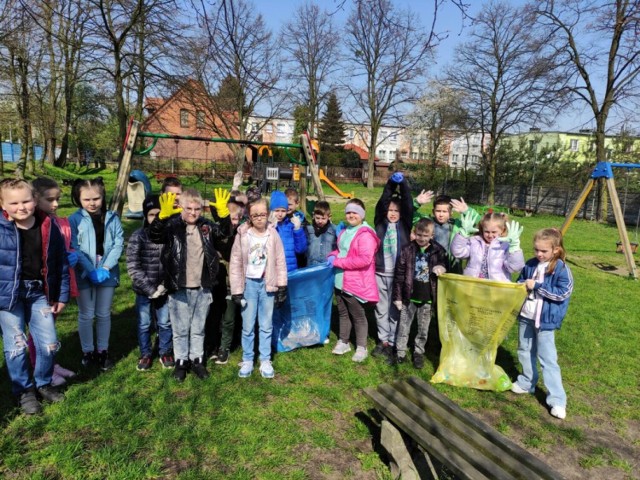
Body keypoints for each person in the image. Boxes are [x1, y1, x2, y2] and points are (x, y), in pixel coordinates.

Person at [0, 179, 70, 415]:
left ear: (35, 199)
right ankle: (24, 391)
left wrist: (61, 295)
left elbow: (60, 262)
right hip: (8, 297)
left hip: (38, 292)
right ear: (3, 204)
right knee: (16, 347)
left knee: (49, 343)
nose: (22, 207)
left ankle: (43, 382)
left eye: (26, 201)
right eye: (14, 203)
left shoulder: (48, 224)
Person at [149, 188, 231, 381]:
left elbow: (224, 234)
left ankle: (197, 360)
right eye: (189, 208)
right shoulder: (172, 226)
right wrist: (161, 217)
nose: (193, 213)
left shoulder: (206, 226)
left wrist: (224, 216)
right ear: (180, 207)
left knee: (198, 327)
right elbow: (154, 235)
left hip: (202, 287)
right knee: (180, 328)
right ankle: (181, 362)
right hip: (179, 287)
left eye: (197, 209)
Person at [511, 228, 573, 420]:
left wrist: (537, 286)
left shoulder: (561, 269)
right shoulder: (531, 264)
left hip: (545, 321)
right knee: (524, 350)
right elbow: (522, 281)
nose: (539, 254)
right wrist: (521, 284)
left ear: (555, 249)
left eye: (543, 251)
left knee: (548, 359)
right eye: (536, 249)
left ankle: (557, 400)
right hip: (526, 316)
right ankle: (526, 382)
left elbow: (563, 293)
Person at [69, 178, 124, 370]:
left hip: (107, 272)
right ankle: (87, 351)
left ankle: (102, 350)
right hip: (84, 273)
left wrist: (106, 268)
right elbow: (74, 247)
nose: (92, 203)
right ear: (79, 199)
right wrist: (90, 270)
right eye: (86, 199)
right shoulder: (74, 220)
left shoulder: (113, 218)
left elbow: (118, 244)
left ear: (103, 197)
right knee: (86, 314)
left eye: (96, 198)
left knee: (103, 313)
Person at [229, 197, 287, 378]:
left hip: (267, 285)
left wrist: (282, 285)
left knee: (266, 324)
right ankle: (247, 359)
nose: (259, 218)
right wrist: (237, 290)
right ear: (249, 216)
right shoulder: (243, 235)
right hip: (249, 285)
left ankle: (265, 359)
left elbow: (280, 261)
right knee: (247, 325)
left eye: (262, 214)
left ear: (267, 214)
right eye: (255, 215)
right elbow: (236, 262)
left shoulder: (273, 235)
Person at [31, 177, 78, 386]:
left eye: (57, 199)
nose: (56, 204)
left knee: (48, 330)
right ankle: (39, 369)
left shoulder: (53, 223)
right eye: (50, 200)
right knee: (38, 333)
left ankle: (50, 364)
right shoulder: (32, 225)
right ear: (35, 198)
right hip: (35, 289)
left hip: (52, 286)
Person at [328, 199, 380, 362]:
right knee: (343, 313)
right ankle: (344, 341)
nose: (350, 215)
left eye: (354, 212)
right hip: (340, 280)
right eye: (348, 212)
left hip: (355, 282)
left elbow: (364, 259)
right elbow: (342, 250)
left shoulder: (365, 234)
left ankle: (361, 347)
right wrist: (333, 255)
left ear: (362, 215)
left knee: (358, 315)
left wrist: (337, 262)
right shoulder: (346, 231)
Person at [126, 194, 173, 371]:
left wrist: (165, 284)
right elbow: (133, 265)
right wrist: (150, 288)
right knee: (144, 324)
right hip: (144, 290)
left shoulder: (169, 236)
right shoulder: (139, 236)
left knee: (164, 323)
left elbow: (173, 263)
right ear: (146, 216)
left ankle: (165, 351)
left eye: (159, 214)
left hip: (164, 289)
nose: (155, 218)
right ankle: (145, 353)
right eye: (152, 214)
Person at [391, 218, 447, 368]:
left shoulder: (438, 250)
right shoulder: (407, 249)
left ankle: (418, 352)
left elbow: (443, 262)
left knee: (423, 329)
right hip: (409, 297)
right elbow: (399, 275)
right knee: (403, 327)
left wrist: (441, 267)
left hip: (427, 298)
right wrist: (397, 297)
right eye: (419, 234)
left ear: (432, 235)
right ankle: (400, 352)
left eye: (425, 235)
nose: (421, 238)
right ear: (414, 233)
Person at [372, 172, 413, 360]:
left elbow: (408, 203)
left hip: (399, 276)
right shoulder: (380, 223)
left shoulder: (405, 225)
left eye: (396, 211)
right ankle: (384, 341)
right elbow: (382, 202)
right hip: (380, 273)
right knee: (381, 308)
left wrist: (402, 183)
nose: (393, 213)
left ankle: (396, 341)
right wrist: (389, 183)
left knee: (396, 309)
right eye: (390, 210)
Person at [450, 211, 525, 282]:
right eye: (486, 232)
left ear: (502, 230)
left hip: (496, 288)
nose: (490, 235)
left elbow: (515, 268)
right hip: (473, 285)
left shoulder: (505, 246)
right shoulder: (474, 242)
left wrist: (515, 248)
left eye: (494, 232)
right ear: (482, 229)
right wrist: (462, 234)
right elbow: (457, 252)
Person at [413, 193, 475, 273]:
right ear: (433, 211)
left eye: (444, 211)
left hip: (452, 268)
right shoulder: (426, 222)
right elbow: (408, 215)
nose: (441, 214)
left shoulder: (457, 225)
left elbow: (480, 223)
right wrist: (416, 203)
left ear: (451, 213)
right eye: (438, 211)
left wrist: (467, 211)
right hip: (428, 266)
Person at [269, 190, 307, 272]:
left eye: (283, 211)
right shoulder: (266, 226)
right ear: (271, 211)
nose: (280, 214)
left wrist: (298, 230)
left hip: (290, 269)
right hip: (274, 270)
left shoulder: (290, 226)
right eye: (277, 211)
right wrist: (270, 228)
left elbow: (301, 249)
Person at [305, 200, 337, 267]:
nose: (320, 221)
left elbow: (337, 248)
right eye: (317, 218)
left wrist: (334, 256)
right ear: (313, 215)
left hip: (327, 265)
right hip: (311, 266)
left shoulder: (334, 230)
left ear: (329, 217)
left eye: (323, 218)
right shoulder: (309, 229)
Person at [285, 187, 308, 268]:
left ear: (297, 203)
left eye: (290, 204)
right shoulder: (281, 219)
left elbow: (304, 244)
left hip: (298, 260)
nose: (287, 207)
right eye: (285, 204)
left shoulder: (302, 221)